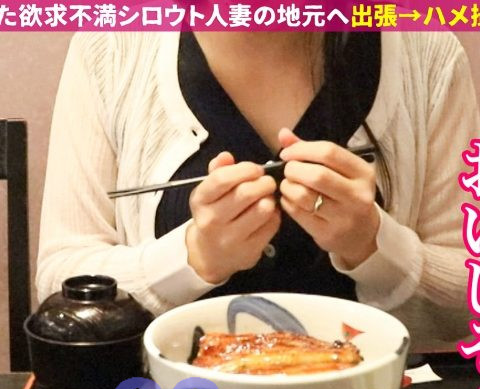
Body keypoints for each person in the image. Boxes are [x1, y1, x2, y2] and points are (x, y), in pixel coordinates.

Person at [37, 30, 480, 351]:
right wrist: (193, 258)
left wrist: (373, 245)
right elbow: (59, 282)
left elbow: (466, 300)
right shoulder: (111, 44)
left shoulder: (427, 51)